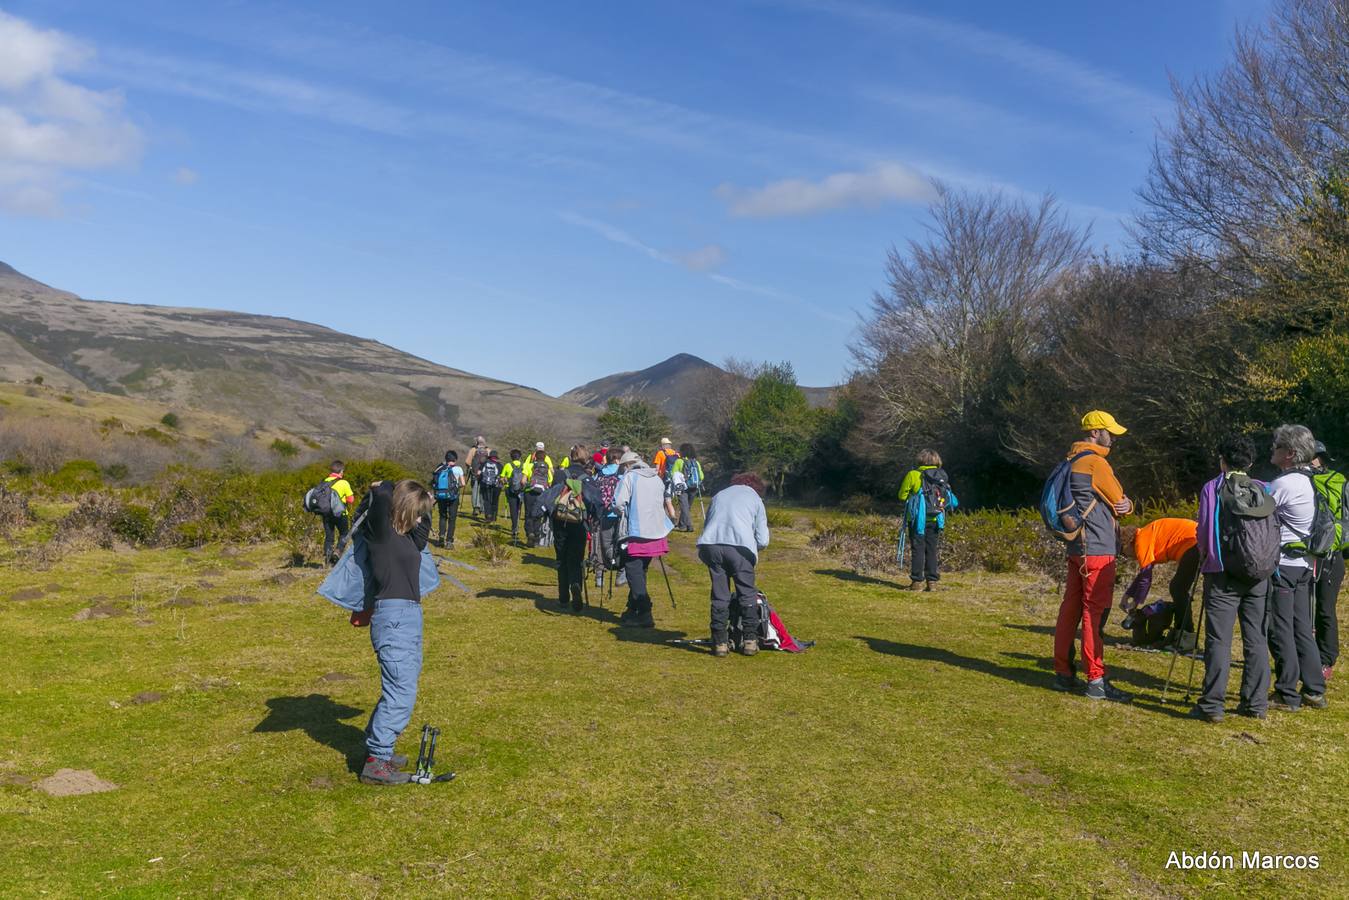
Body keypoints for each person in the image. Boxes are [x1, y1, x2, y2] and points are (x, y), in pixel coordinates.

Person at [354, 479, 434, 785]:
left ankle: (379, 748)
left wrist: (423, 506)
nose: (419, 520)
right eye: (415, 513)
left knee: (403, 686)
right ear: (401, 508)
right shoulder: (381, 532)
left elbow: (423, 534)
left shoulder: (409, 536)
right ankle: (377, 760)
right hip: (392, 618)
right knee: (400, 692)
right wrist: (386, 485)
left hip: (411, 616)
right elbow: (381, 494)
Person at [1051, 411, 1134, 702]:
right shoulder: (1095, 462)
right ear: (1096, 432)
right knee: (1092, 612)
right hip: (1097, 547)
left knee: (1070, 609)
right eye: (1110, 432)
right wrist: (1129, 504)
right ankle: (1096, 679)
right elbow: (1120, 500)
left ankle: (1063, 672)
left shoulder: (1070, 459)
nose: (1113, 438)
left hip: (1077, 546)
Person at [1192, 434, 1272, 722]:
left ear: (1221, 459)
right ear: (1250, 462)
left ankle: (1212, 705)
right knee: (1256, 638)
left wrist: (1203, 556)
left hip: (1222, 572)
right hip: (1258, 573)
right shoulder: (1263, 489)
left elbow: (1203, 531)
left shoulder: (1213, 488)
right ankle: (1255, 703)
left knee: (1219, 640)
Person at [1266, 424, 1329, 711]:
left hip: (1284, 566)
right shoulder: (1311, 480)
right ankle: (1314, 690)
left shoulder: (1284, 484)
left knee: (1280, 629)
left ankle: (1286, 693)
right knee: (1302, 627)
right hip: (1306, 564)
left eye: (1277, 446)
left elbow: (1259, 514)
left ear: (1290, 453)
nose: (1273, 450)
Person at [697, 473, 770, 657]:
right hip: (740, 548)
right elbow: (763, 539)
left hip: (711, 545)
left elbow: (708, 524)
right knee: (746, 594)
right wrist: (753, 548)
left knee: (719, 595)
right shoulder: (755, 500)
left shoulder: (719, 495)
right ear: (757, 487)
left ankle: (720, 642)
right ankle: (750, 641)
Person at [613, 450, 676, 627]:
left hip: (635, 532)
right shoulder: (656, 477)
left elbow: (618, 503)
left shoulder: (629, 477)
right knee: (641, 571)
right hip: (656, 531)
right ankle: (632, 610)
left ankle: (645, 611)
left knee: (633, 572)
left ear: (627, 465)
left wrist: (621, 513)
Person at [1118, 518, 1199, 649]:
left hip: (1193, 543)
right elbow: (1144, 573)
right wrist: (1127, 595)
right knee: (1179, 589)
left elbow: (1146, 578)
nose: (1126, 556)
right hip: (1195, 541)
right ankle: (1183, 635)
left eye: (1123, 552)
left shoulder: (1141, 541)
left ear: (1127, 544)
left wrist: (1135, 603)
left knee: (1178, 589)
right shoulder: (1144, 535)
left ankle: (1186, 638)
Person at [897, 450, 957, 591]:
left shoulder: (913, 474)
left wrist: (913, 498)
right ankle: (932, 583)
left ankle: (916, 583)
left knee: (917, 549)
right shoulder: (942, 475)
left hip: (917, 519)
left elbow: (901, 495)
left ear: (920, 460)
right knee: (931, 549)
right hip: (936, 518)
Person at [1311, 441, 1343, 685]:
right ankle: (1308, 655)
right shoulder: (1300, 481)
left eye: (1312, 457)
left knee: (1324, 607)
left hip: (1331, 556)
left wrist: (1332, 544)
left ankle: (1326, 659)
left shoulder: (1339, 482)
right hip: (1304, 554)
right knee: (1304, 609)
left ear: (1321, 458)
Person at [551, 454, 591, 612]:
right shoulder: (587, 477)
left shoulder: (560, 474)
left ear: (570, 458)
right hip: (579, 523)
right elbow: (591, 500)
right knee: (576, 558)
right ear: (585, 460)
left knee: (561, 559)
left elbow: (552, 496)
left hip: (560, 522)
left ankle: (563, 597)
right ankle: (576, 584)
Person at [319, 460, 356, 565]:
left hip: (326, 514)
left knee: (329, 536)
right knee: (344, 533)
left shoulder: (324, 481)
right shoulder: (344, 483)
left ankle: (327, 560)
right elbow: (351, 500)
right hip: (341, 514)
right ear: (341, 471)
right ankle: (337, 552)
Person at [429, 451, 464, 549]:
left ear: (446, 459)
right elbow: (463, 483)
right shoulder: (458, 469)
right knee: (452, 518)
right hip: (453, 497)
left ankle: (441, 538)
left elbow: (433, 482)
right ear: (455, 459)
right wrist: (456, 487)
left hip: (441, 495)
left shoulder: (439, 468)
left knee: (443, 516)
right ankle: (449, 541)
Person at [522, 444, 554, 547]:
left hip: (530, 492)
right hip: (542, 494)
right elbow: (550, 482)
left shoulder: (529, 466)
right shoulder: (547, 468)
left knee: (528, 513)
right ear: (545, 458)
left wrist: (525, 485)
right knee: (538, 515)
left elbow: (523, 481)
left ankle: (529, 533)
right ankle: (536, 536)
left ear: (534, 457)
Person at [500, 449, 527, 543]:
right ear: (520, 457)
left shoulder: (508, 465)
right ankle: (517, 524)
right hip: (521, 490)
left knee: (513, 509)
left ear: (511, 457)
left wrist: (504, 481)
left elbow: (502, 478)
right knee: (519, 508)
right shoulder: (524, 465)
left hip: (510, 490)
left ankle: (514, 527)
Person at [478, 450, 503, 524]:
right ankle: (494, 516)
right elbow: (502, 477)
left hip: (485, 484)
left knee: (486, 500)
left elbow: (478, 473)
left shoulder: (484, 463)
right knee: (495, 501)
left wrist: (479, 479)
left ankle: (488, 516)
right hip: (497, 486)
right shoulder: (500, 465)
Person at [466, 436, 487, 517]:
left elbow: (467, 462)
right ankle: (483, 508)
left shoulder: (473, 450)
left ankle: (476, 507)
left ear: (477, 442)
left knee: (475, 490)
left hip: (474, 473)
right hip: (484, 475)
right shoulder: (488, 450)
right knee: (483, 490)